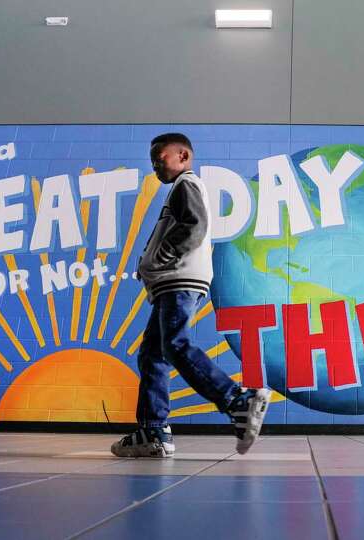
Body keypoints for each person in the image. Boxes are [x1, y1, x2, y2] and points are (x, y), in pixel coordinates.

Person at [111, 133, 270, 458]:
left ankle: (237, 400)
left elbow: (194, 226)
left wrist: (160, 259)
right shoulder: (180, 188)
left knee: (175, 345)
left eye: (160, 158)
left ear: (183, 156)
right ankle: (153, 431)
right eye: (153, 160)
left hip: (178, 279)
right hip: (173, 282)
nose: (155, 165)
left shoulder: (187, 184)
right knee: (153, 354)